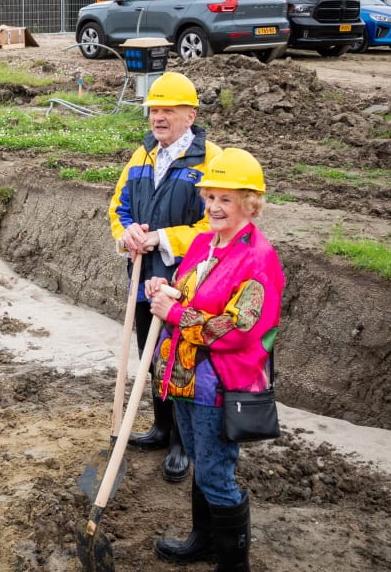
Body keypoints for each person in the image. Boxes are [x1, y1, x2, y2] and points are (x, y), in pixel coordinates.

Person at [146, 148, 284, 571]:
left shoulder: (257, 258)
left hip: (218, 385)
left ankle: (232, 563)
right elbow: (187, 289)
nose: (214, 207)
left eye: (226, 199)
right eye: (210, 197)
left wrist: (176, 315)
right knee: (201, 464)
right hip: (184, 378)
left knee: (215, 474)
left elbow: (242, 327)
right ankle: (202, 542)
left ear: (249, 202)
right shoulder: (205, 243)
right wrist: (164, 288)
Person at [109, 71, 221, 483]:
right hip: (144, 277)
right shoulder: (142, 156)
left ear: (190, 115)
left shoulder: (211, 161)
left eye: (168, 110)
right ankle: (160, 427)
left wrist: (163, 238)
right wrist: (128, 234)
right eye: (154, 110)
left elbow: (216, 228)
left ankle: (181, 442)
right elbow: (118, 206)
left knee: (181, 359)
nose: (158, 118)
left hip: (190, 284)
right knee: (151, 356)